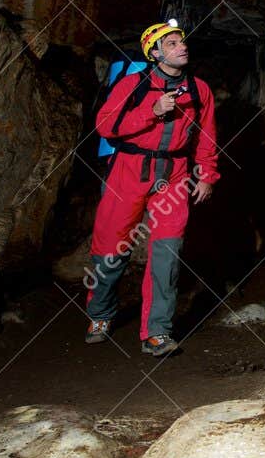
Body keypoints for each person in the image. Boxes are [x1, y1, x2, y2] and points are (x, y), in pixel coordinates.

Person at [82, 19, 219, 356]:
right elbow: (105, 125)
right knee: (111, 248)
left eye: (181, 41)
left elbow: (206, 136)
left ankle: (157, 332)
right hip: (128, 172)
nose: (182, 47)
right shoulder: (133, 85)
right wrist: (152, 111)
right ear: (155, 53)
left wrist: (206, 175)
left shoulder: (199, 90)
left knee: (167, 256)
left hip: (174, 174)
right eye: (172, 44)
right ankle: (99, 314)